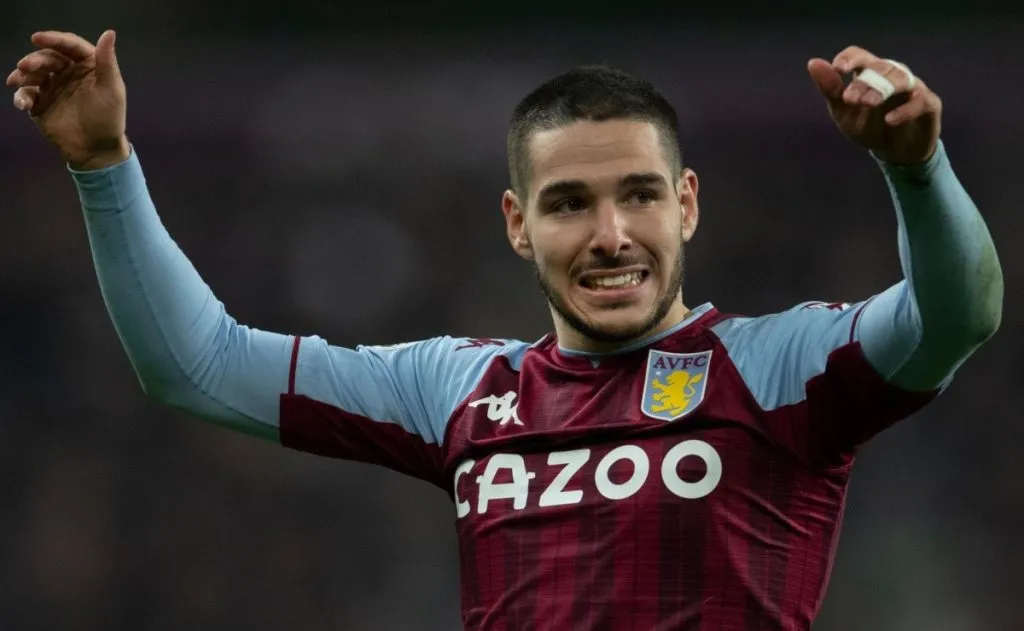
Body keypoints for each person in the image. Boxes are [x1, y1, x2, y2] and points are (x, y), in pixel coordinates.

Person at [8, 29, 1002, 630]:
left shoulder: (777, 366)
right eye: (569, 203)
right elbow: (198, 363)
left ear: (686, 205)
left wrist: (916, 171)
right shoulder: (460, 388)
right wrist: (104, 166)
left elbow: (956, 314)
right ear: (519, 225)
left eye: (639, 197)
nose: (610, 234)